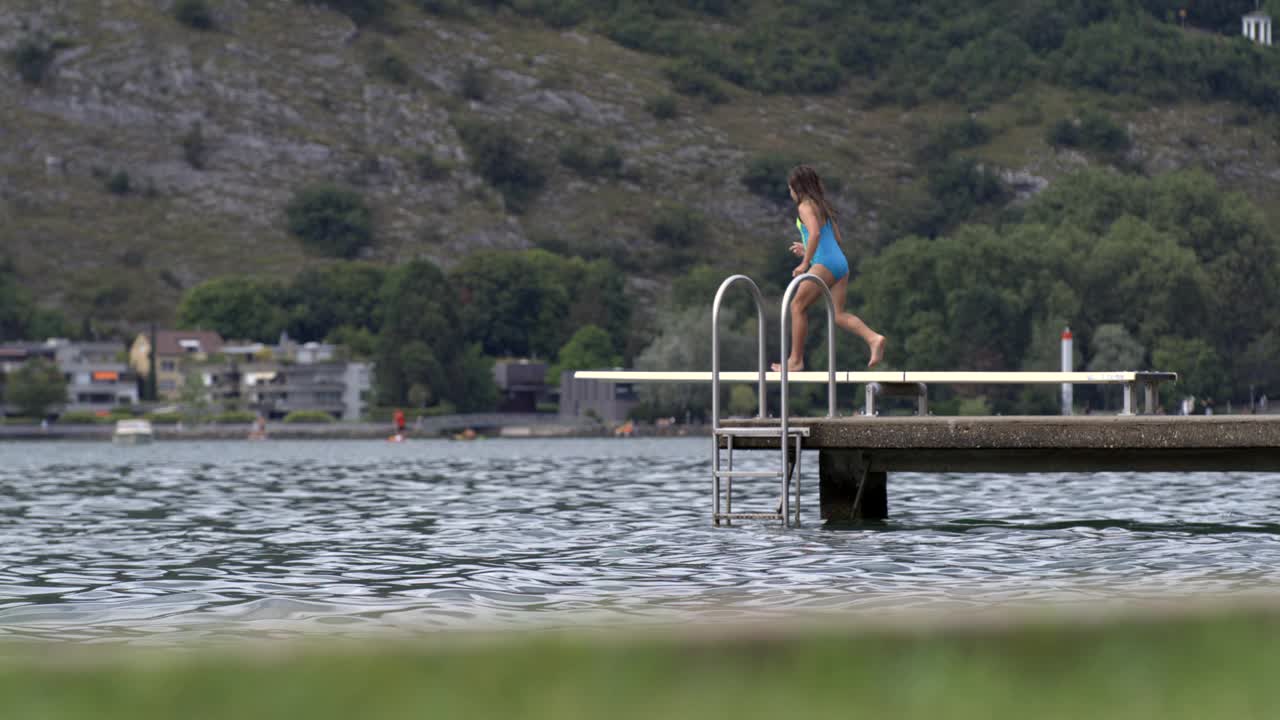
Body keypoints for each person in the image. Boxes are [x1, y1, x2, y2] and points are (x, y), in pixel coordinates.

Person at [772, 164, 886, 372]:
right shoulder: (821, 205)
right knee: (837, 315)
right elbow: (836, 238)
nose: (790, 193)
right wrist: (807, 248)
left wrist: (805, 262)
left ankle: (795, 360)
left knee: (797, 306)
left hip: (824, 263)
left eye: (790, 189)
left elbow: (815, 234)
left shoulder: (805, 207)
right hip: (839, 263)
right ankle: (873, 338)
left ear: (798, 188)